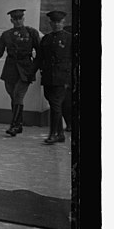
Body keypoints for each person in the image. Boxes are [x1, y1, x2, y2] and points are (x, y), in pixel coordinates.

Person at [0, 8, 41, 137]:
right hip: (10, 69)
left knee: (18, 95)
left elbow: (40, 53)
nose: (17, 21)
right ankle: (19, 124)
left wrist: (34, 68)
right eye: (15, 19)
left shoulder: (31, 33)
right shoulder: (7, 35)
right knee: (13, 96)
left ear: (23, 19)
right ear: (11, 20)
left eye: (19, 19)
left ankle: (14, 125)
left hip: (25, 69)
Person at [35, 10, 72, 145]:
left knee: (55, 105)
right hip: (48, 77)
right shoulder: (46, 39)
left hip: (62, 77)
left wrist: (71, 78)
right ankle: (60, 134)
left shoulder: (69, 38)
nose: (56, 25)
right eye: (54, 22)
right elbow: (40, 58)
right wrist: (31, 72)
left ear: (63, 23)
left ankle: (53, 134)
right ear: (50, 23)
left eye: (59, 22)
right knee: (53, 104)